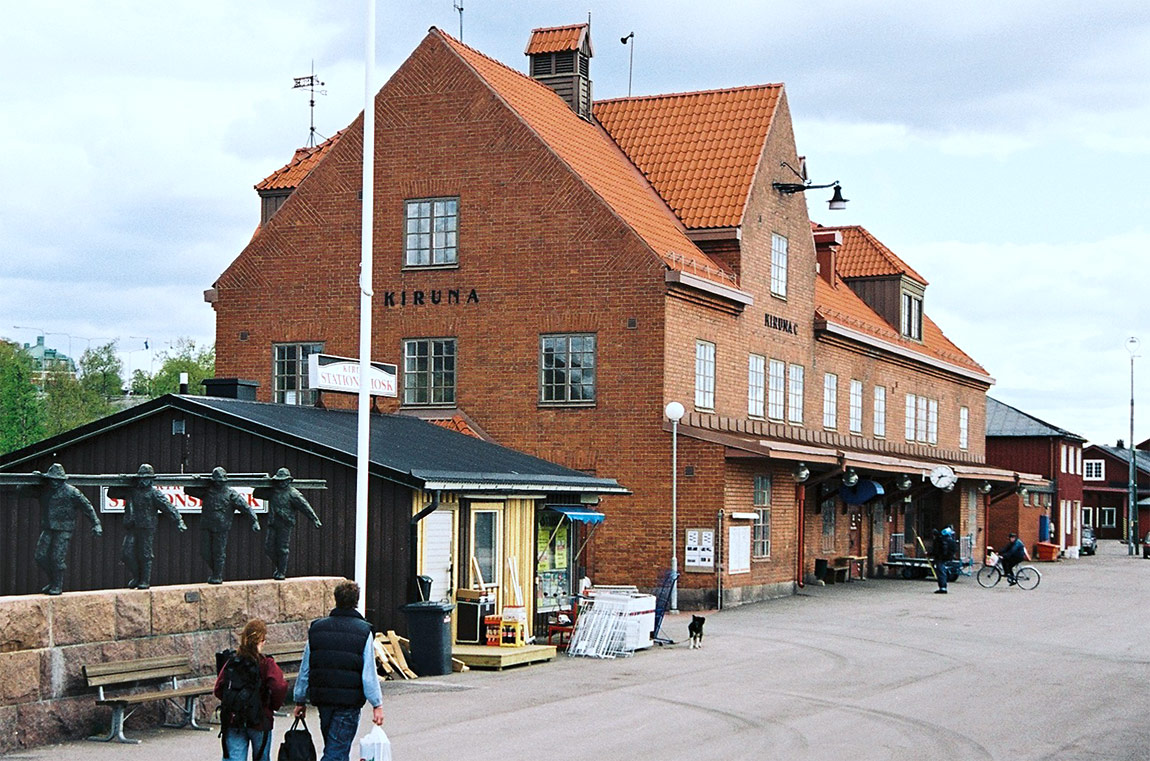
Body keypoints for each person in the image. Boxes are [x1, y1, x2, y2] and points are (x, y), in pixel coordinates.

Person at [292, 581, 384, 761]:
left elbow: (306, 667)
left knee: (336, 748)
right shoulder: (363, 631)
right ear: (356, 601)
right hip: (348, 702)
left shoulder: (317, 628)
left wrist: (300, 698)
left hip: (323, 698)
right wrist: (376, 704)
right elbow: (368, 673)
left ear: (336, 599)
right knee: (336, 752)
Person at [18, 463, 103, 595]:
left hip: (64, 528)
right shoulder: (43, 489)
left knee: (57, 558)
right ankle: (53, 581)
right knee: (40, 556)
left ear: (62, 480)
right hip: (48, 527)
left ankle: (57, 585)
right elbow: (21, 492)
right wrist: (31, 480)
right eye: (52, 479)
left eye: (57, 480)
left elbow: (87, 507)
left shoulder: (72, 492)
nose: (54, 482)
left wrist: (96, 523)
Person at [214, 619, 287, 761]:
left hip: (233, 718)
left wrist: (233, 701)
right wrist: (272, 706)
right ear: (262, 640)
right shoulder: (266, 663)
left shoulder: (232, 661)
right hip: (259, 718)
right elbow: (279, 686)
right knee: (261, 757)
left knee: (234, 757)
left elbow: (218, 688)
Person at [108, 463, 188, 589]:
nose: (144, 481)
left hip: (147, 527)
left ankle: (144, 580)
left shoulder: (154, 494)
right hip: (132, 526)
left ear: (151, 479)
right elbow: (111, 494)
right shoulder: (131, 491)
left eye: (147, 478)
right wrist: (118, 481)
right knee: (126, 553)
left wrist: (179, 521)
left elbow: (168, 507)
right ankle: (137, 576)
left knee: (145, 554)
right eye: (142, 478)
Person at [187, 467, 260, 584]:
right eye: (217, 481)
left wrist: (254, 520)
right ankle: (216, 571)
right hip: (206, 525)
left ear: (225, 481)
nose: (219, 483)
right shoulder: (207, 491)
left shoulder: (231, 494)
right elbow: (189, 491)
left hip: (221, 528)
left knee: (218, 552)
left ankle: (217, 575)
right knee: (204, 552)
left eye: (221, 481)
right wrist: (194, 482)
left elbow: (245, 507)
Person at [255, 468, 321, 580]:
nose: (282, 483)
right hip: (273, 523)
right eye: (280, 480)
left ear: (288, 481)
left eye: (284, 480)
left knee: (282, 549)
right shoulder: (273, 491)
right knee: (268, 548)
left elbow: (305, 506)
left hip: (285, 524)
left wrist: (314, 519)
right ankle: (280, 567)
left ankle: (281, 572)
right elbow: (257, 494)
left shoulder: (293, 494)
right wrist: (263, 484)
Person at [930, 528, 952, 594]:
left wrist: (929, 554)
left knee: (941, 572)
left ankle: (942, 588)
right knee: (942, 571)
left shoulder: (938, 540)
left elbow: (936, 551)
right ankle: (943, 586)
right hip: (946, 558)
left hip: (940, 558)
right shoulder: (948, 539)